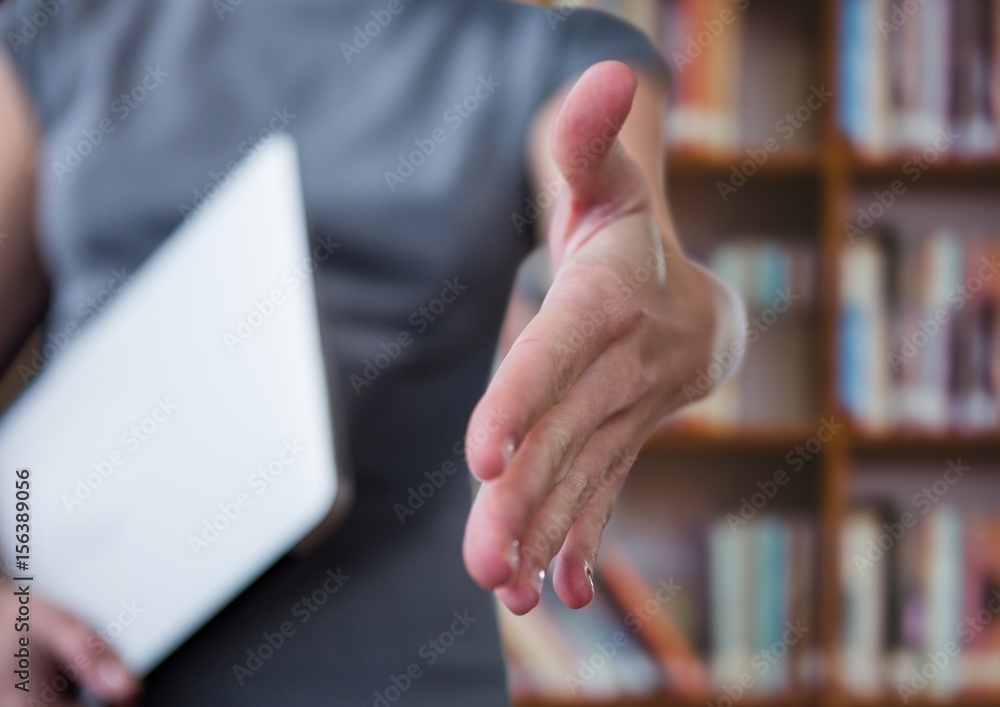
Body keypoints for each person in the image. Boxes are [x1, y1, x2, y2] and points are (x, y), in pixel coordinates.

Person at [0, 0, 742, 704]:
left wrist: (677, 313)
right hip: (76, 669)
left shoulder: (545, 54)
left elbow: (662, 275)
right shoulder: (60, 26)